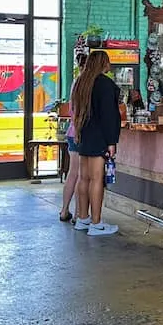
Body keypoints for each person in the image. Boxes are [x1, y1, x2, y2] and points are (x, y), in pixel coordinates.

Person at [71, 50, 121, 236]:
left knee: (84, 178)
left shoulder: (81, 83)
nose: (109, 65)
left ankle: (82, 219)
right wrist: (111, 141)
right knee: (97, 179)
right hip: (100, 136)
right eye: (107, 61)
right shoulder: (105, 85)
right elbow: (109, 116)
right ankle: (96, 223)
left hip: (83, 134)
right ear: (102, 63)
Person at [59, 52, 87, 222]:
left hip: (71, 131)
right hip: (81, 133)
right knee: (82, 175)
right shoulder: (86, 84)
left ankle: (64, 211)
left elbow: (71, 110)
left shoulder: (75, 83)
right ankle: (78, 214)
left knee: (72, 173)